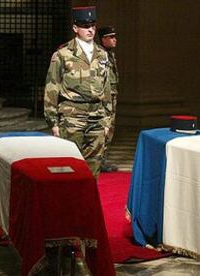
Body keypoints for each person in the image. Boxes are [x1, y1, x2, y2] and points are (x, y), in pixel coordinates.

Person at [44, 6, 112, 178]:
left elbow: (107, 88)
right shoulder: (63, 54)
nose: (90, 29)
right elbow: (52, 87)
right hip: (72, 116)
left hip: (97, 116)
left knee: (93, 167)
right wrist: (53, 122)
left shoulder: (102, 54)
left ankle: (88, 203)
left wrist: (107, 120)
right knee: (69, 165)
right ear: (75, 28)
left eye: (93, 25)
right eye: (84, 25)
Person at [98, 26, 119, 172]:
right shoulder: (100, 55)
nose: (114, 40)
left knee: (109, 128)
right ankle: (99, 159)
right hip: (104, 97)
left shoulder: (110, 54)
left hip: (112, 95)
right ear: (103, 39)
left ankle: (103, 157)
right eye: (111, 37)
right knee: (103, 128)